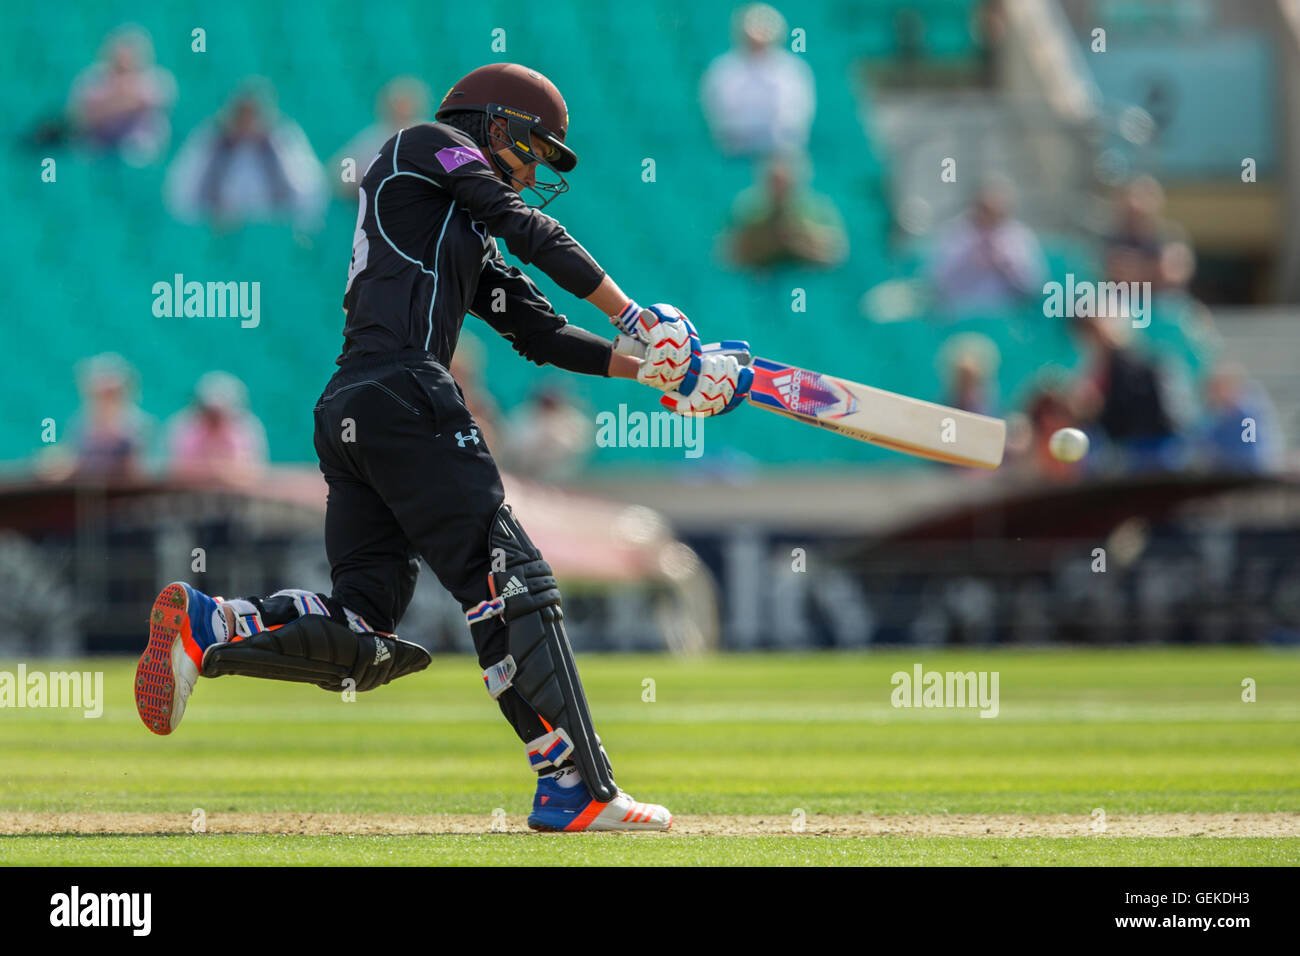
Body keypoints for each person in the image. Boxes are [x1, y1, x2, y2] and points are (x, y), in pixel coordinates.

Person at [135, 64, 752, 833]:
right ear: (492, 124)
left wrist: (661, 370)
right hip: (403, 392)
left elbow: (541, 332)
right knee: (512, 579)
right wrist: (636, 316)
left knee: (362, 632)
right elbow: (530, 229)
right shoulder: (424, 144)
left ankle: (212, 626)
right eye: (531, 148)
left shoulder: (451, 225)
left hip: (356, 408)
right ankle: (576, 786)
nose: (532, 170)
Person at [164, 78, 326, 229]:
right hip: (217, 234)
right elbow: (179, 198)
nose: (248, 122)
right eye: (243, 113)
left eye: (254, 114)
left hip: (273, 235)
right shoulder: (209, 139)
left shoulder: (285, 139)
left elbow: (311, 197)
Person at [700, 3, 814, 158]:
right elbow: (715, 111)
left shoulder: (793, 70)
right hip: (734, 152)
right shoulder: (722, 70)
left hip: (780, 154)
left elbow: (798, 114)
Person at [929, 175, 1046, 316]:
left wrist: (1006, 264)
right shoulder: (956, 234)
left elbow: (1034, 286)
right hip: (961, 318)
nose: (990, 217)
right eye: (985, 209)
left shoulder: (1019, 236)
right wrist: (970, 260)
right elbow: (938, 283)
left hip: (1008, 319)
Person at [68, 24, 176, 164]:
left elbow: (153, 100)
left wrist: (116, 101)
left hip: (139, 153)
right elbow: (79, 114)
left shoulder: (156, 79)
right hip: (98, 150)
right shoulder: (94, 78)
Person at [726, 155, 847, 269]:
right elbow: (731, 254)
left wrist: (801, 239)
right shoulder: (748, 208)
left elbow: (837, 252)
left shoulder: (818, 208)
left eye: (784, 181)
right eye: (774, 181)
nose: (780, 188)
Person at [329, 76, 431, 199]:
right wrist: (364, 181)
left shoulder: (431, 135)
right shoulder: (374, 138)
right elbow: (343, 170)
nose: (401, 109)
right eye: (397, 103)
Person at [165, 372, 269, 486]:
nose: (214, 419)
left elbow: (253, 472)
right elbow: (174, 470)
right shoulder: (183, 426)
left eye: (219, 414)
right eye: (210, 412)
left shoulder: (247, 429)